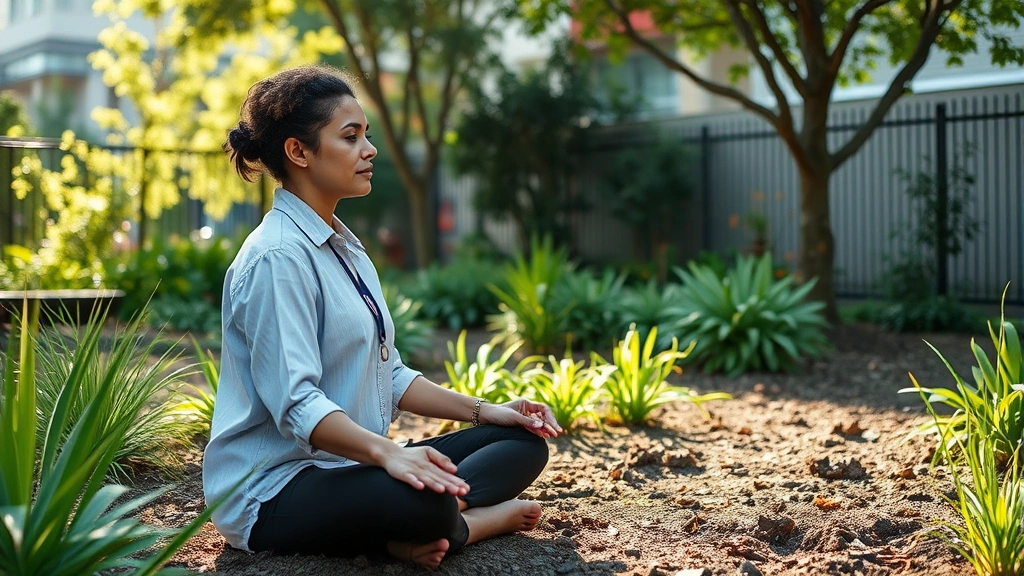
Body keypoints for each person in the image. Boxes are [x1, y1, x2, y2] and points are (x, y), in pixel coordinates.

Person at [202, 65, 561, 569]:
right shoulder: (276, 258)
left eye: (366, 136)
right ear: (298, 152)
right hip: (274, 490)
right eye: (351, 138)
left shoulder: (344, 248)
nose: (369, 150)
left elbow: (387, 375)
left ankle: (415, 529)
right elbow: (298, 405)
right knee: (425, 498)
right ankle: (468, 523)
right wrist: (390, 455)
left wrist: (487, 410)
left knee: (521, 441)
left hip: (351, 468)